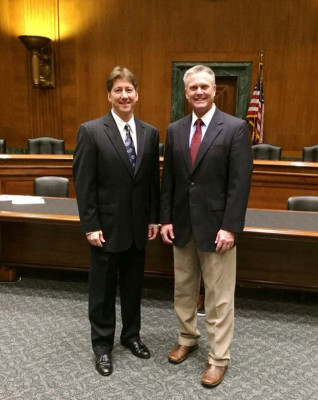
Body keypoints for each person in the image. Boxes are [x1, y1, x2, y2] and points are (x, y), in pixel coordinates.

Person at [160, 65, 252, 388]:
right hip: (182, 225)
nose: (199, 92)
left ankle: (218, 358)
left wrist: (230, 227)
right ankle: (187, 337)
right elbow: (169, 180)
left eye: (204, 87)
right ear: (186, 93)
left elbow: (239, 185)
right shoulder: (174, 130)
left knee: (219, 297)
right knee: (183, 289)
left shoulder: (236, 128)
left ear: (214, 91)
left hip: (217, 230)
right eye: (193, 87)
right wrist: (166, 218)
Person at [73, 66, 160, 376]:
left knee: (134, 287)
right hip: (105, 228)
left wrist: (154, 219)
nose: (124, 95)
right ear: (109, 94)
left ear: (137, 95)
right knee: (103, 290)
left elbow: (151, 182)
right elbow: (84, 184)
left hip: (138, 228)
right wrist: (90, 225)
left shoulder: (150, 133)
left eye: (129, 90)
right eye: (118, 90)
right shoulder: (91, 131)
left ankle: (131, 336)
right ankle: (102, 345)